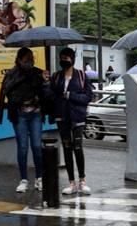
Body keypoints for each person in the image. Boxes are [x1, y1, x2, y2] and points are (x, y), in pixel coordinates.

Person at [0, 47, 50, 193]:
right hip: (19, 114)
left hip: (36, 113)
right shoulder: (12, 74)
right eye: (27, 58)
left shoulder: (38, 73)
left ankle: (39, 178)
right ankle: (24, 180)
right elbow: (7, 92)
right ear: (19, 60)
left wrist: (45, 82)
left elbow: (46, 94)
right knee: (22, 147)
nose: (30, 61)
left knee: (37, 146)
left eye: (32, 58)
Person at [50, 47, 93, 195]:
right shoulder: (56, 77)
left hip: (78, 118)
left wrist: (71, 95)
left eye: (67, 58)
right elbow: (51, 96)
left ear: (73, 59)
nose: (64, 60)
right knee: (67, 148)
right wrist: (46, 82)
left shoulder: (81, 76)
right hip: (62, 118)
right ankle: (71, 183)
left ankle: (82, 181)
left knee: (78, 147)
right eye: (62, 58)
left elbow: (88, 97)